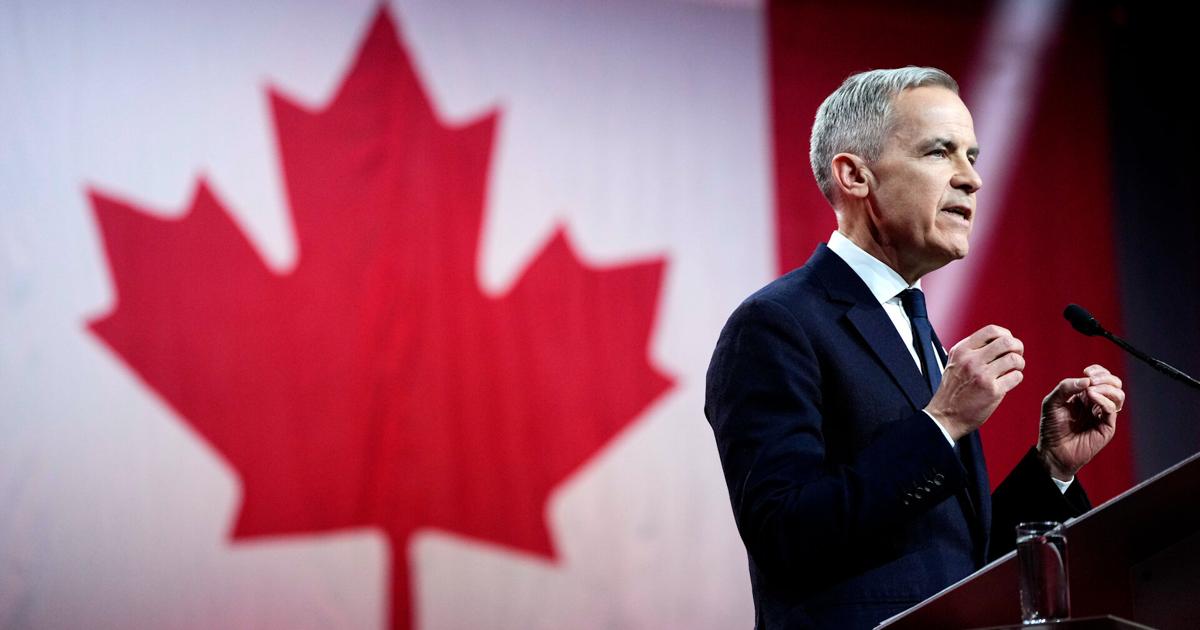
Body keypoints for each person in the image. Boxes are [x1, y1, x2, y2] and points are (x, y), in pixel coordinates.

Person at [704, 67, 1124, 629]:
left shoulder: (914, 328)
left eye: (972, 156)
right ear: (855, 176)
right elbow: (784, 533)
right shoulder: (775, 325)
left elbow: (954, 563)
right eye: (939, 152)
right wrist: (942, 422)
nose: (972, 179)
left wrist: (1052, 466)